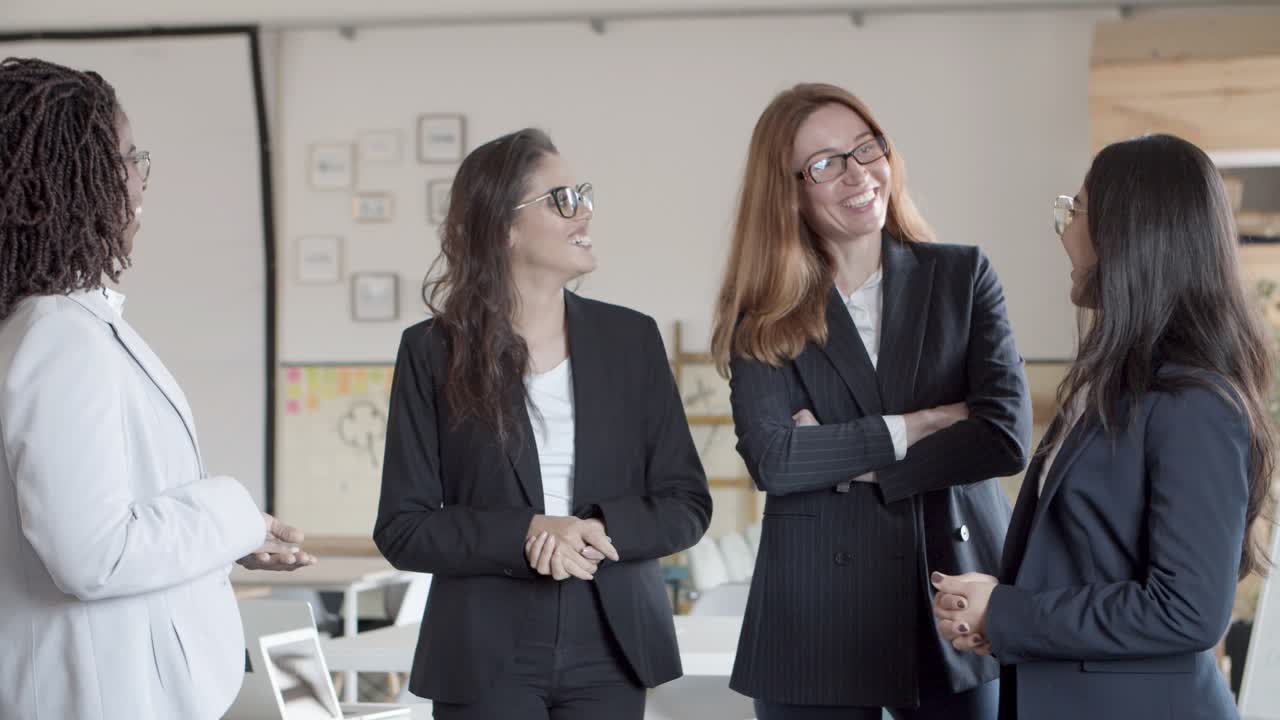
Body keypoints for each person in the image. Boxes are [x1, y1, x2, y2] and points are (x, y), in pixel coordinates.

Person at [0, 57, 312, 720]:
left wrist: (231, 537)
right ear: (68, 179)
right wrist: (234, 512)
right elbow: (92, 554)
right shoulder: (59, 336)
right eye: (125, 157)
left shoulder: (52, 326)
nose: (140, 179)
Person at [710, 82, 1032, 719]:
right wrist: (926, 422)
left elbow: (1004, 437)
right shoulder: (764, 311)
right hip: (814, 609)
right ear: (788, 190)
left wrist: (851, 460)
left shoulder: (961, 275)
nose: (858, 173)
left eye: (866, 148)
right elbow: (775, 459)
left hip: (952, 590)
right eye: (825, 164)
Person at [932, 133, 1275, 720]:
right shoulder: (1112, 383)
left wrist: (1008, 613)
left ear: (1130, 235)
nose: (1063, 231)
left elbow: (1188, 610)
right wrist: (1000, 617)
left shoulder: (1194, 404)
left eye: (1078, 210)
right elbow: (1095, 561)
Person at [374, 128, 712, 720]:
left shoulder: (631, 339)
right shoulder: (432, 351)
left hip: (613, 642)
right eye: (562, 200)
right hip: (482, 648)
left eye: (582, 195)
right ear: (503, 227)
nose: (584, 212)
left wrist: (596, 529)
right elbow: (404, 528)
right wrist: (530, 532)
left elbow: (686, 503)